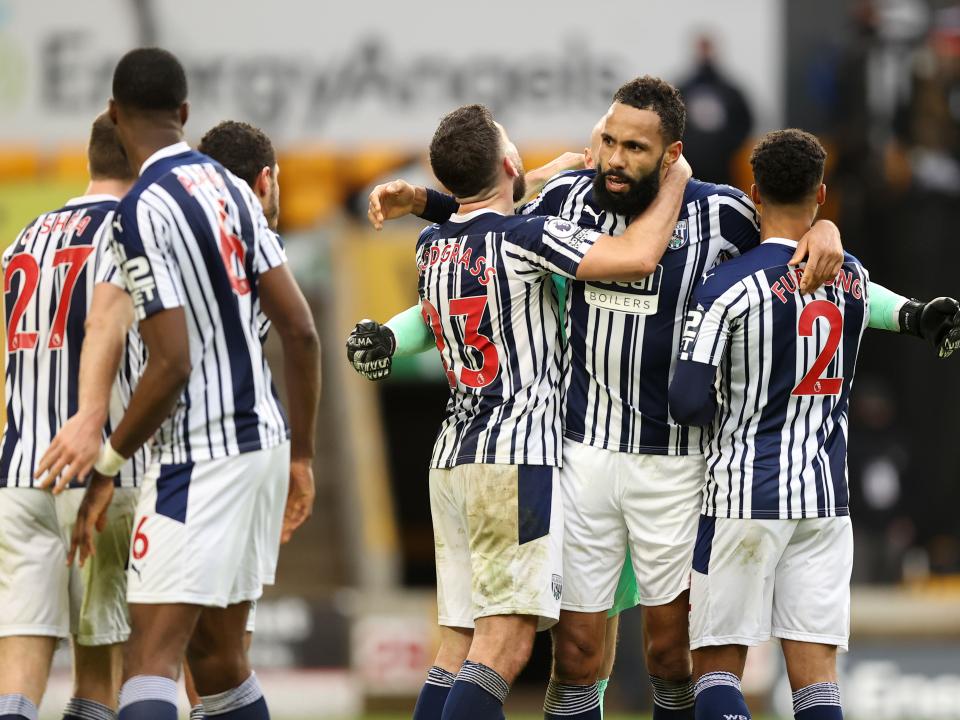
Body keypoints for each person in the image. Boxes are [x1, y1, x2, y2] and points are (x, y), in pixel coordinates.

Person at [352, 76, 960, 719]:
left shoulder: (724, 216)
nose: (615, 159)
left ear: (671, 155)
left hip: (676, 460)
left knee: (672, 654)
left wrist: (828, 230)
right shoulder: (563, 200)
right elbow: (484, 243)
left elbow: (796, 241)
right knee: (580, 652)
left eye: (635, 149)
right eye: (608, 141)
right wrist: (422, 218)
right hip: (583, 451)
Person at [35, 47, 321, 720]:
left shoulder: (140, 212)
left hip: (197, 457)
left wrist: (107, 465)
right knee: (218, 661)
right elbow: (302, 332)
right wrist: (303, 456)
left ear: (113, 113)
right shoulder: (234, 191)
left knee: (149, 661)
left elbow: (171, 364)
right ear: (185, 113)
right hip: (266, 448)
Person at [406, 100, 695, 720]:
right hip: (515, 458)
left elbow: (479, 199)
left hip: (452, 457)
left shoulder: (431, 244)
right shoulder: (525, 236)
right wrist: (673, 178)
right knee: (504, 645)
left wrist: (550, 171)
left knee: (458, 640)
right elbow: (639, 256)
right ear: (510, 161)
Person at [668, 129, 957, 720]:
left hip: (744, 492)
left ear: (753, 193)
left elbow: (686, 399)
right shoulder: (848, 276)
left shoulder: (725, 287)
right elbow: (882, 303)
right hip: (825, 499)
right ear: (821, 195)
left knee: (718, 668)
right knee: (817, 679)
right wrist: (917, 316)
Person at [0, 113, 144, 720]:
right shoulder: (136, 232)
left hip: (19, 469)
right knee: (98, 671)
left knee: (18, 667)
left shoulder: (25, 237)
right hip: (98, 465)